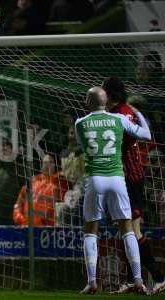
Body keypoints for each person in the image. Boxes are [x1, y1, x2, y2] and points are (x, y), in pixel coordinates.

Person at [75, 86, 151, 294]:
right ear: (105, 100)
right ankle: (138, 280)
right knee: (127, 229)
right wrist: (138, 114)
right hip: (117, 178)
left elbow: (84, 146)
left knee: (91, 230)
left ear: (88, 102)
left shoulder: (80, 123)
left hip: (95, 178)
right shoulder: (118, 120)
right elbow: (146, 134)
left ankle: (92, 282)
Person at [102, 76, 165, 295]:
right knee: (125, 230)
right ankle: (131, 280)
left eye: (104, 91)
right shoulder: (122, 111)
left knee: (132, 230)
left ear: (110, 94)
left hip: (129, 177)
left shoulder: (122, 114)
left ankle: (158, 277)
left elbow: (124, 141)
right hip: (127, 176)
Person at [13, 154, 63, 227]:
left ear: (56, 165)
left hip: (47, 230)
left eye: (50, 162)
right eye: (45, 163)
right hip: (26, 227)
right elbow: (19, 203)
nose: (47, 165)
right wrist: (20, 219)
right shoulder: (32, 181)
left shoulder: (59, 184)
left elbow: (61, 209)